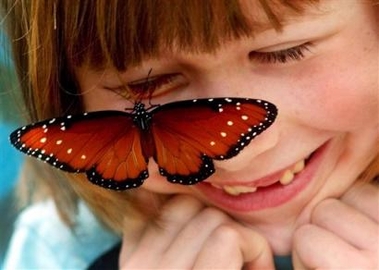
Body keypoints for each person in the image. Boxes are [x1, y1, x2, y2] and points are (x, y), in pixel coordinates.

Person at [2, 0, 378, 269]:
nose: (235, 156)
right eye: (148, 85)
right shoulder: (60, 251)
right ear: (71, 100)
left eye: (285, 52)